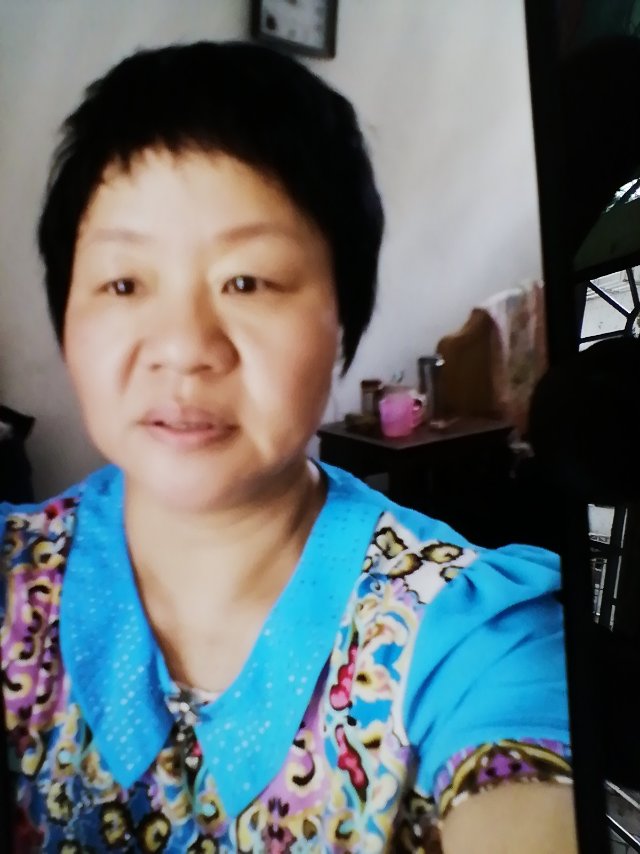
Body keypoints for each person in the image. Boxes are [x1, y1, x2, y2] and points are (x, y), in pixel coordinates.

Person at [0, 41, 576, 853]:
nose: (185, 347)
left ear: (345, 318)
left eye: (247, 281)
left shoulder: (464, 634)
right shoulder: (14, 580)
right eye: (124, 283)